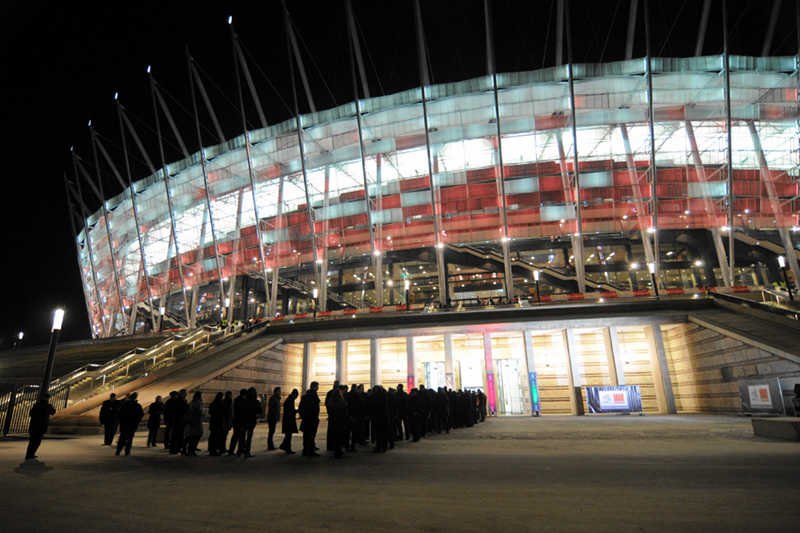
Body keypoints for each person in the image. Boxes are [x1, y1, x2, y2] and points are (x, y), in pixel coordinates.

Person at [25, 393, 56, 461]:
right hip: (41, 426)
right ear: (47, 399)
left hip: (33, 426)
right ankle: (31, 454)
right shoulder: (48, 406)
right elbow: (53, 412)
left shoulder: (36, 405)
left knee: (32, 441)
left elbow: (31, 414)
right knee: (37, 441)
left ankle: (28, 454)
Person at [298, 381, 320, 457]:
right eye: (317, 386)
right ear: (314, 387)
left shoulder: (305, 396)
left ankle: (306, 450)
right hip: (312, 419)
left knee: (306, 436)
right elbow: (314, 409)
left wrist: (303, 416)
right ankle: (310, 451)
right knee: (311, 436)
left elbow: (300, 408)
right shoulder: (313, 396)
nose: (318, 388)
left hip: (307, 419)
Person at [183, 391, 204, 456]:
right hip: (196, 421)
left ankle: (188, 449)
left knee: (191, 436)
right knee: (195, 436)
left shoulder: (192, 402)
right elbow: (199, 411)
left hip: (192, 421)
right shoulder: (198, 403)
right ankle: (191, 450)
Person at [228, 389, 248, 456]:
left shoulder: (236, 400)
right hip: (240, 422)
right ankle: (239, 450)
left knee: (236, 436)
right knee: (240, 437)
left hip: (236, 421)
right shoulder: (242, 401)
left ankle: (232, 450)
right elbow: (241, 412)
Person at [169, 390, 188, 455]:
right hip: (178, 420)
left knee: (179, 435)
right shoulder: (179, 401)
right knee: (177, 435)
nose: (186, 395)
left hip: (179, 420)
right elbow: (182, 409)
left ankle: (177, 448)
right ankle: (175, 449)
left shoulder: (180, 400)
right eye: (185, 393)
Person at [279, 389, 299, 454]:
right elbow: (290, 411)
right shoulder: (290, 400)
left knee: (288, 435)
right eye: (296, 395)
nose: (296, 397)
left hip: (287, 420)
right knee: (288, 435)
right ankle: (288, 449)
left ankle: (284, 446)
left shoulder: (289, 399)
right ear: (294, 394)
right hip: (289, 420)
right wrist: (296, 411)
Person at [324, 380, 340, 453]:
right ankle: (333, 446)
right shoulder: (336, 393)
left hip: (332, 415)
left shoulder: (330, 393)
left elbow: (327, 403)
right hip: (335, 415)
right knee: (335, 431)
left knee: (331, 431)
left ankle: (331, 446)